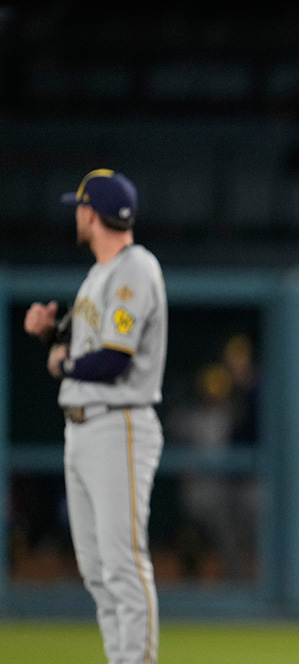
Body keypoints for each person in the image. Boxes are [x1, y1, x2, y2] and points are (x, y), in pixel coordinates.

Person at [23, 169, 166, 664]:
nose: (77, 216)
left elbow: (112, 359)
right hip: (84, 428)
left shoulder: (134, 268)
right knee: (97, 570)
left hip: (119, 423)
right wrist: (50, 333)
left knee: (123, 565)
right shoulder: (100, 274)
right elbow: (85, 343)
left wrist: (61, 361)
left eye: (80, 208)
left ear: (92, 213)